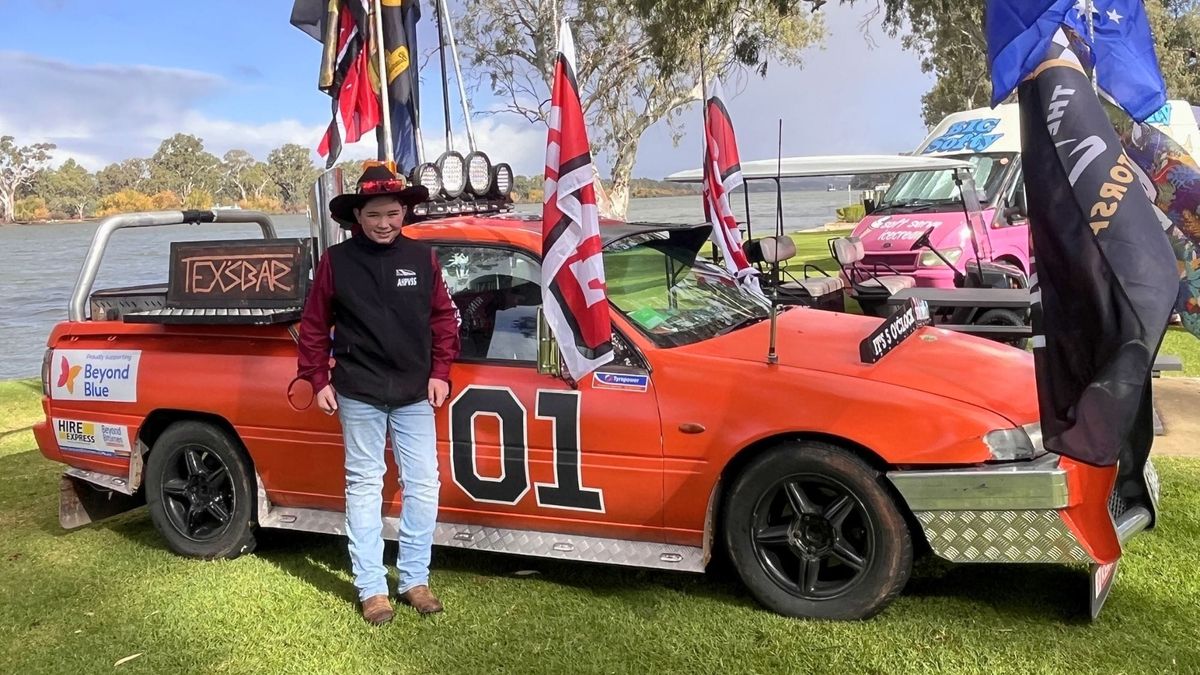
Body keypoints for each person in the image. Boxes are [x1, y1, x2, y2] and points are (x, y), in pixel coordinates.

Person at [296, 164, 460, 624]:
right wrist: (317, 377)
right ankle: (372, 588)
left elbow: (443, 319)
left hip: (413, 393)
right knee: (365, 486)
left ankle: (413, 579)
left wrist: (440, 371)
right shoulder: (337, 261)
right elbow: (313, 324)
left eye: (392, 213)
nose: (384, 223)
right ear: (358, 217)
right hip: (359, 391)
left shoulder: (423, 258)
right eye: (374, 215)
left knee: (423, 485)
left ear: (404, 212)